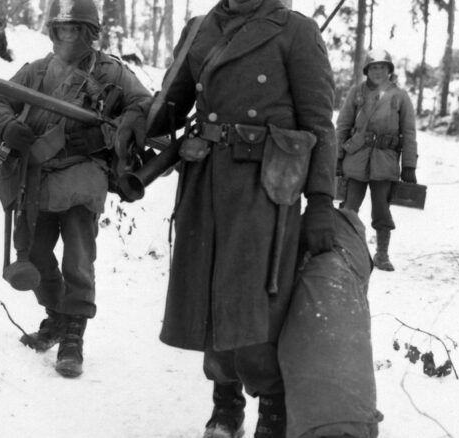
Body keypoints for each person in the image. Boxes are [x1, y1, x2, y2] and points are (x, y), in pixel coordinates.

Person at [143, 0, 337, 436]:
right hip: (205, 179)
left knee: (259, 302)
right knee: (210, 295)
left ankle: (273, 408)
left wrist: (322, 200)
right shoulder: (200, 29)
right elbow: (170, 105)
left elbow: (320, 124)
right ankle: (226, 404)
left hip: (266, 187)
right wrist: (136, 118)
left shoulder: (295, 31)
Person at [0, 0, 151, 378]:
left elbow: (144, 106)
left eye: (76, 29)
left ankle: (74, 334)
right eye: (63, 29)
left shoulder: (112, 72)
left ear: (90, 34)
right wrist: (7, 126)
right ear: (53, 32)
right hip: (37, 175)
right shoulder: (36, 70)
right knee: (34, 253)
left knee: (78, 257)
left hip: (83, 172)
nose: (69, 36)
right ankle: (57, 316)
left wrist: (113, 129)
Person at [336, 48, 418, 272]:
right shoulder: (357, 93)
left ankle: (381, 254)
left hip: (385, 161)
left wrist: (409, 165)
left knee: (382, 209)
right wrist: (337, 158)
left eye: (382, 67)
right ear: (367, 70)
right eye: (373, 67)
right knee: (349, 208)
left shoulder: (400, 96)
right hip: (356, 159)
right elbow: (342, 126)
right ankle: (344, 251)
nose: (378, 71)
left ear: (389, 70)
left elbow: (409, 133)